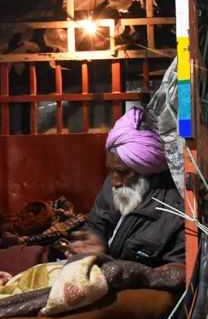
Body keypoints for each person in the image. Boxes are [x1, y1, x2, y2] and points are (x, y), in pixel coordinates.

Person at [69, 106, 186, 267]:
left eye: (123, 172)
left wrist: (117, 269)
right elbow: (96, 224)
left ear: (148, 170)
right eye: (111, 171)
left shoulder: (175, 211)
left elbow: (176, 274)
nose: (115, 181)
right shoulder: (112, 185)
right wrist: (95, 240)